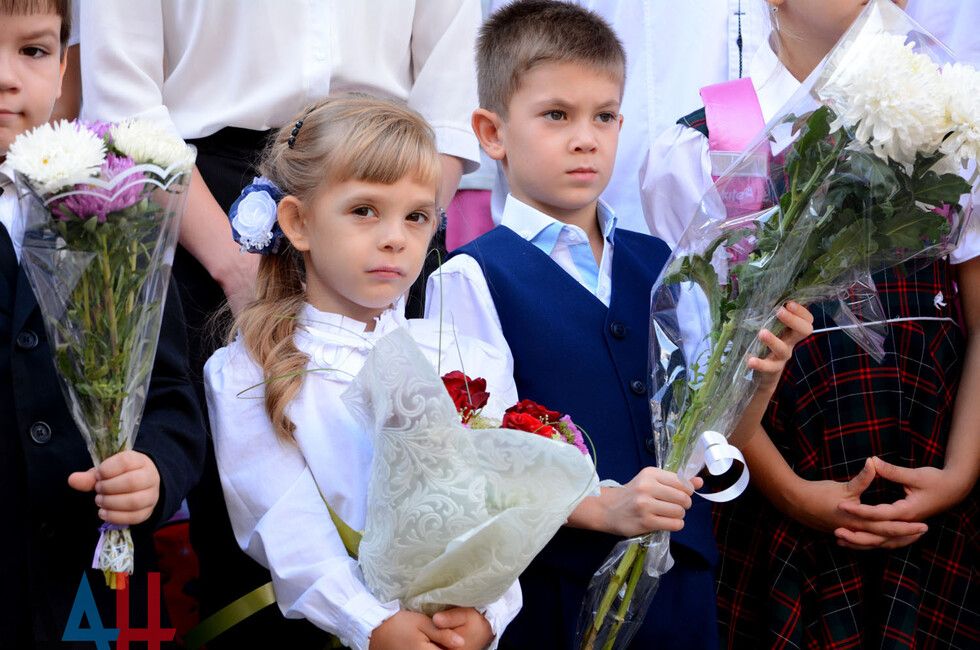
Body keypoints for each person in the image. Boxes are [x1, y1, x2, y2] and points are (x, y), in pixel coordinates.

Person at [78, 3, 484, 639]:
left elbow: (450, 90)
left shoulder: (456, 336)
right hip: (195, 197)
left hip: (392, 169)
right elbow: (122, 96)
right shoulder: (234, 373)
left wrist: (410, 208)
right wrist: (236, 265)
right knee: (241, 525)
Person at [426, 2, 814, 647]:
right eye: (556, 115)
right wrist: (602, 508)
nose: (586, 138)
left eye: (604, 116)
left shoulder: (659, 262)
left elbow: (707, 421)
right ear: (491, 134)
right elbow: (475, 456)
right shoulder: (469, 278)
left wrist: (762, 374)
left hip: (682, 586)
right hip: (554, 596)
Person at [641, 1, 979, 646]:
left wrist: (960, 472)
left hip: (932, 475)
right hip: (782, 489)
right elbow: (699, 361)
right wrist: (792, 492)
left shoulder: (952, 124)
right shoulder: (710, 139)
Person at [204, 95, 522, 650]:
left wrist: (489, 610)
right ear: (298, 222)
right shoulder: (249, 370)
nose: (395, 237)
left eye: (416, 216)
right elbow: (284, 524)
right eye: (364, 210)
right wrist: (368, 621)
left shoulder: (470, 358)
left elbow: (505, 505)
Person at [0, 0, 205, 646]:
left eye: (33, 51)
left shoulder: (115, 211)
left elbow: (172, 398)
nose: (8, 77)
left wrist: (154, 472)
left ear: (64, 66)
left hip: (100, 589)